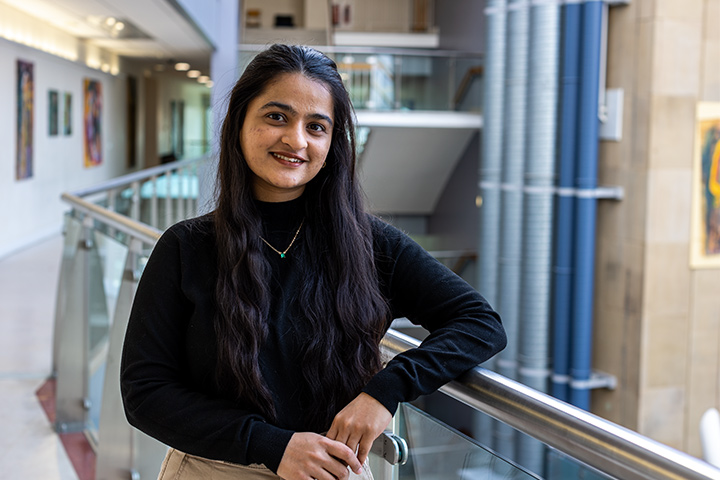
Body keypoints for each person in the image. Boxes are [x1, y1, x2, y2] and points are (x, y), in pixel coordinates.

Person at [120, 44, 506, 480]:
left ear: (333, 142)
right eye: (276, 116)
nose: (296, 140)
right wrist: (272, 445)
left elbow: (480, 323)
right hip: (216, 469)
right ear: (240, 122)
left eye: (317, 126)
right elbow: (145, 393)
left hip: (334, 472)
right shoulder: (186, 247)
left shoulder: (371, 244)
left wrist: (385, 391)